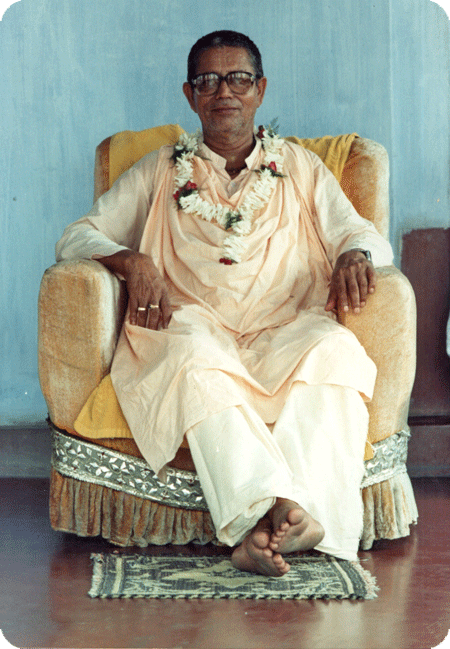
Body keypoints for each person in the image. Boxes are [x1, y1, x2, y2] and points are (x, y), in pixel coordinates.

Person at [56, 30, 394, 577]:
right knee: (192, 358)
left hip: (284, 325)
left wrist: (355, 251)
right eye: (207, 81)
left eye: (238, 78)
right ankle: (276, 515)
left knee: (336, 349)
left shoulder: (302, 168)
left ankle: (286, 523)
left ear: (260, 89)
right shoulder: (161, 169)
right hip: (194, 326)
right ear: (190, 95)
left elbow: (363, 234)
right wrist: (132, 262)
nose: (224, 92)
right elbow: (77, 238)